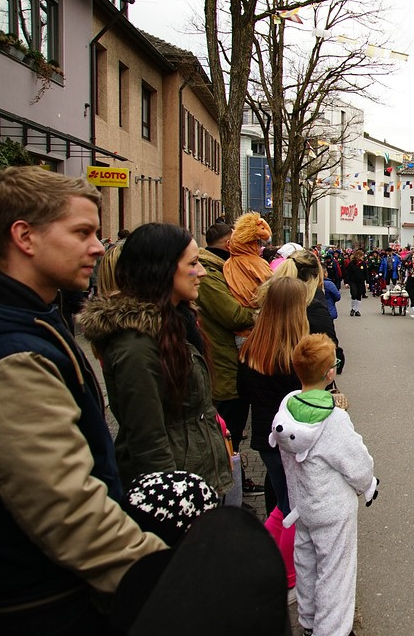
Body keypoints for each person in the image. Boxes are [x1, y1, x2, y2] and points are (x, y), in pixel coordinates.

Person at [0, 167, 165, 632]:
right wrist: (167, 581)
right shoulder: (13, 349)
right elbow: (65, 506)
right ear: (24, 237)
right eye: (82, 232)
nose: (98, 246)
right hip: (43, 602)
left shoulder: (34, 319)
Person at [79, 223, 233, 497]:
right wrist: (177, 501)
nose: (201, 272)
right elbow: (148, 442)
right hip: (175, 495)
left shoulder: (178, 323)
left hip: (196, 481)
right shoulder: (136, 344)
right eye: (193, 263)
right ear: (162, 268)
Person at [272, 334, 378, 636]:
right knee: (336, 572)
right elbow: (356, 462)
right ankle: (332, 630)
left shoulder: (287, 408)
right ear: (330, 373)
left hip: (302, 505)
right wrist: (368, 485)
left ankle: (308, 620)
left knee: (305, 564)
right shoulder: (333, 419)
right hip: (332, 509)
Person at [238, 277, 314, 589]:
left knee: (283, 503)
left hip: (264, 439)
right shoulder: (296, 355)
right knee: (294, 509)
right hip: (293, 442)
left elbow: (243, 391)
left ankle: (264, 557)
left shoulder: (252, 348)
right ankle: (285, 574)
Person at [194, 222, 260, 489]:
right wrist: (259, 313)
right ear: (228, 244)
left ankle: (234, 483)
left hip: (230, 360)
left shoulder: (221, 268)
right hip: (223, 364)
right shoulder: (210, 273)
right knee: (228, 429)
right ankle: (228, 489)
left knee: (232, 429)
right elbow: (232, 314)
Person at [345, 249, 367, 316]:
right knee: (354, 294)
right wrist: (346, 282)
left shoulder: (363, 263)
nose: (362, 257)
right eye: (361, 256)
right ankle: (353, 308)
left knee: (359, 295)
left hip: (360, 282)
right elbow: (348, 273)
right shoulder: (351, 264)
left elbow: (366, 273)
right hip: (353, 281)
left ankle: (357, 310)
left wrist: (367, 282)